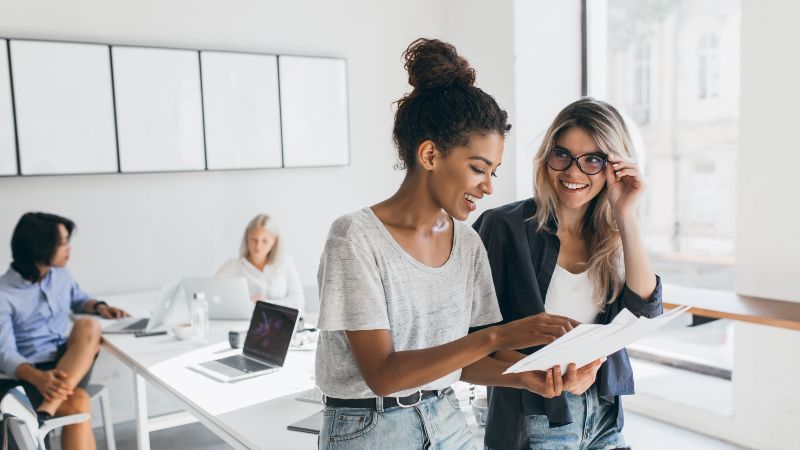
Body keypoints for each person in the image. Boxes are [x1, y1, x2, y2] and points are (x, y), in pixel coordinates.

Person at [314, 38, 580, 450]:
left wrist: (532, 375)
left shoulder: (468, 243)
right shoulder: (355, 238)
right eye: (478, 168)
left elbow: (466, 362)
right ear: (430, 155)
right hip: (370, 427)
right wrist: (499, 336)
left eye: (493, 171)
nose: (489, 187)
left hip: (445, 417)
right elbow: (382, 375)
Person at [468, 97, 664, 449]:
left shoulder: (614, 234)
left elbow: (644, 313)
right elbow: (474, 341)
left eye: (593, 160)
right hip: (535, 417)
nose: (573, 173)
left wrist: (627, 215)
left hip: (604, 416)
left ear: (613, 167)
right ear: (547, 158)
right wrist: (549, 374)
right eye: (562, 155)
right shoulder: (504, 227)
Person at [0, 212, 129, 450]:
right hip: (26, 377)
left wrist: (100, 307)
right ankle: (43, 412)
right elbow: (6, 355)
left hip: (65, 367)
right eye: (63, 243)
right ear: (40, 246)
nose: (69, 249)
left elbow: (79, 299)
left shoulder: (60, 275)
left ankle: (44, 412)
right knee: (79, 402)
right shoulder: (4, 294)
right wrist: (39, 378)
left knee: (88, 325)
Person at [215, 214, 304, 313]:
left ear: (274, 241)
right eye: (254, 239)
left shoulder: (285, 262)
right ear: (246, 239)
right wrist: (246, 303)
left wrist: (265, 304)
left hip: (281, 322)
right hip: (245, 324)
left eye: (264, 241)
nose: (258, 246)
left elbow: (298, 301)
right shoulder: (232, 266)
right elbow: (214, 298)